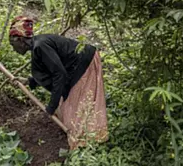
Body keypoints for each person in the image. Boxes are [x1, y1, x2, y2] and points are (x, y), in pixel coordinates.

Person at [8, 16, 108, 149]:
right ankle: (83, 135)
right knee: (69, 104)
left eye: (12, 44)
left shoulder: (40, 46)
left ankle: (87, 141)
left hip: (84, 63)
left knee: (79, 103)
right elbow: (51, 70)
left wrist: (51, 106)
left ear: (20, 40)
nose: (13, 49)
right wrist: (28, 81)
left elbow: (59, 74)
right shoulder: (38, 46)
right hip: (75, 66)